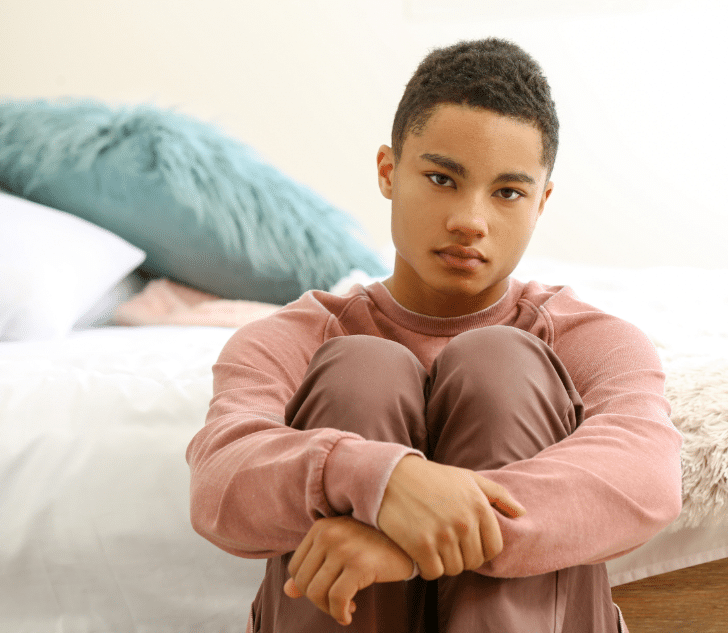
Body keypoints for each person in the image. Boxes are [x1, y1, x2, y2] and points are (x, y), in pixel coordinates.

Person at [186, 37, 683, 633]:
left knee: (500, 362)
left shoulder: (587, 336)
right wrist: (382, 480)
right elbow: (218, 482)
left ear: (540, 202)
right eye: (443, 178)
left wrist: (408, 541)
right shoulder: (290, 337)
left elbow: (647, 477)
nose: (470, 220)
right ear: (389, 171)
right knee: (361, 371)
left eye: (507, 192)